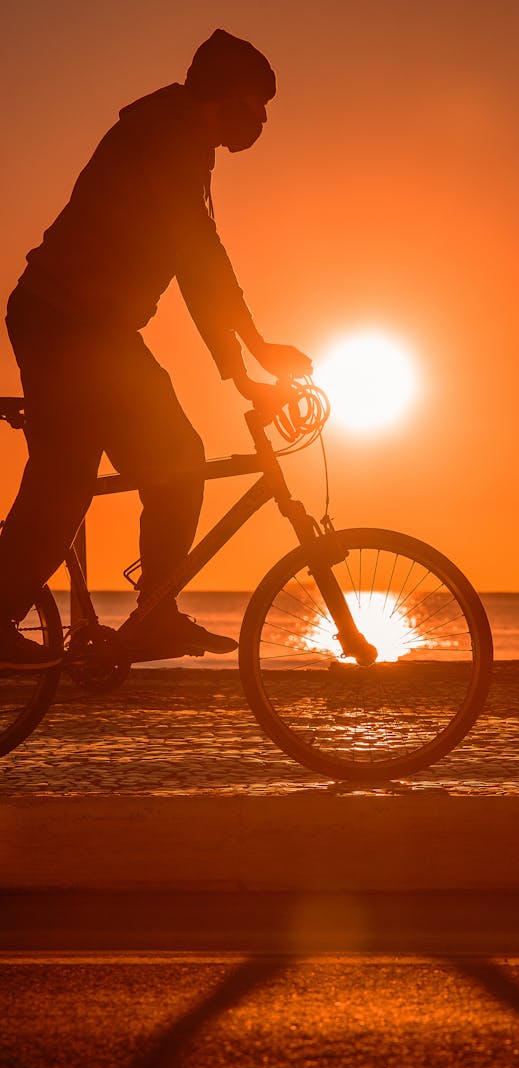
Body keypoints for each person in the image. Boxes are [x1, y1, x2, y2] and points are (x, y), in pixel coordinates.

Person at [0, 29, 312, 669]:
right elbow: (198, 267)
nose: (261, 120)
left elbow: (204, 263)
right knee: (66, 478)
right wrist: (248, 360)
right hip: (62, 323)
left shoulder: (189, 148)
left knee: (179, 461)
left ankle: (154, 615)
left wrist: (250, 356)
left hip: (101, 331)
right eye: (255, 105)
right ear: (219, 98)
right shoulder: (161, 142)